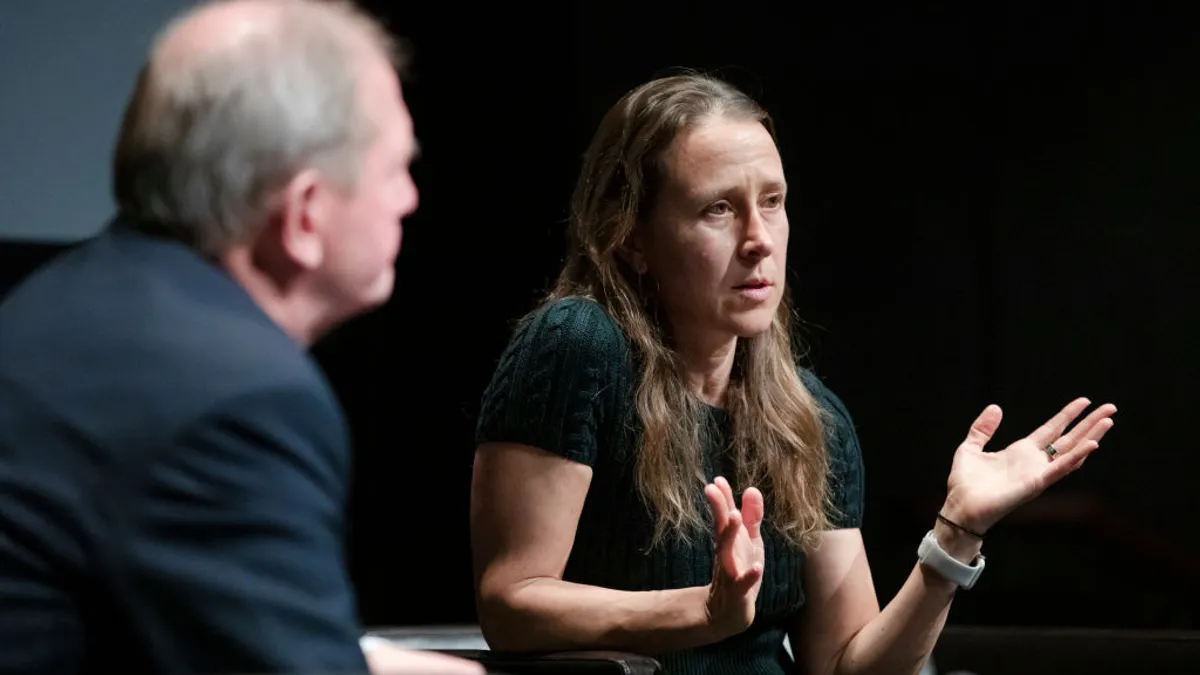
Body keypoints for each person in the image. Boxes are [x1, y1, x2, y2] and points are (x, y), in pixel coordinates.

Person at [469, 73, 1117, 675]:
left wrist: (957, 532)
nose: (760, 238)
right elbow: (510, 603)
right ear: (632, 237)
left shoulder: (811, 417)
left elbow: (845, 663)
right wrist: (703, 610)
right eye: (718, 208)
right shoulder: (578, 347)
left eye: (772, 202)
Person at [0, 1, 482, 674]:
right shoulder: (235, 399)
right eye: (396, 168)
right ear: (305, 215)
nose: (410, 199)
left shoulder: (58, 303)